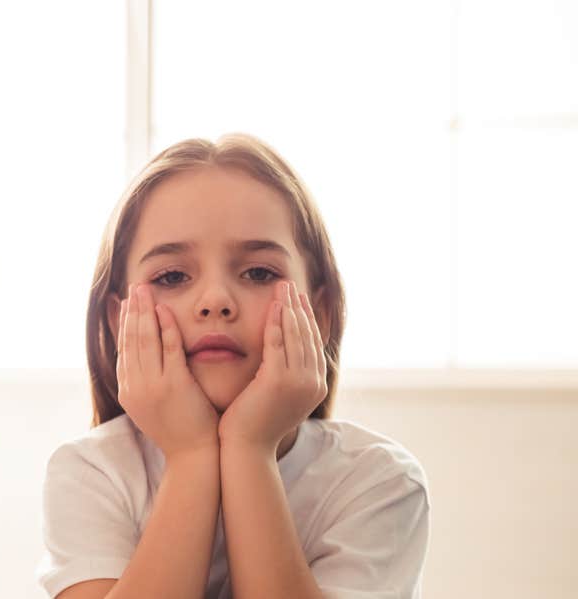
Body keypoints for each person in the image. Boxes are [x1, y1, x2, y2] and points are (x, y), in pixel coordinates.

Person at [38, 134, 430, 598]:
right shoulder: (90, 472)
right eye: (172, 276)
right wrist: (192, 457)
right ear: (120, 319)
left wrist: (249, 448)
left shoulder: (378, 482)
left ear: (319, 314)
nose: (216, 301)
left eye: (259, 273)